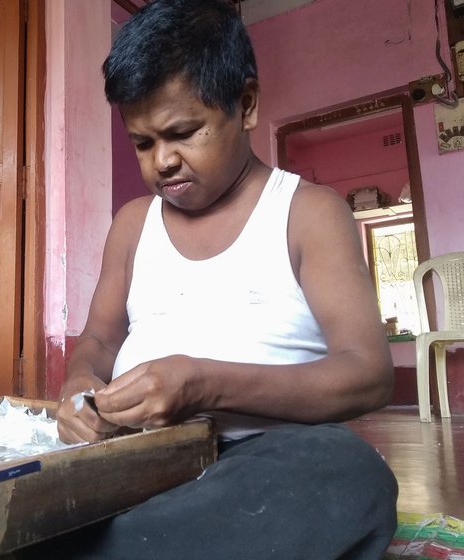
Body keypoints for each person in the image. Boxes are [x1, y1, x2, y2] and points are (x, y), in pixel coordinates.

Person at [24, 0, 399, 558]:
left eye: (183, 132)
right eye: (143, 142)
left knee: (352, 476)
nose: (162, 162)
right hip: (134, 456)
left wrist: (203, 384)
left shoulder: (307, 213)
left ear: (245, 105)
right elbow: (99, 341)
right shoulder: (132, 224)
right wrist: (79, 389)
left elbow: (368, 376)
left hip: (259, 460)